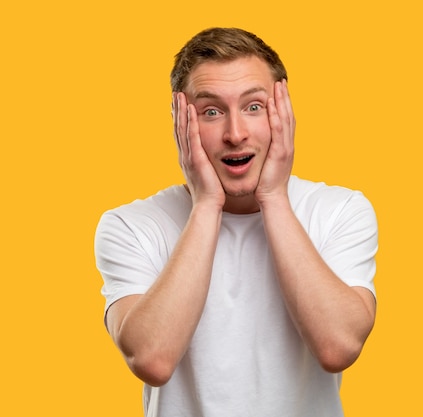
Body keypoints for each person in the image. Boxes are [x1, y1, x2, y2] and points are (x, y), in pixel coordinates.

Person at [95, 27, 378, 417]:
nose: (235, 133)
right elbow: (152, 359)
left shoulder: (341, 210)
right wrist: (208, 203)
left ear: (283, 114)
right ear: (181, 122)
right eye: (211, 112)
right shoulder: (130, 226)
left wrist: (274, 197)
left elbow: (338, 348)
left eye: (254, 106)